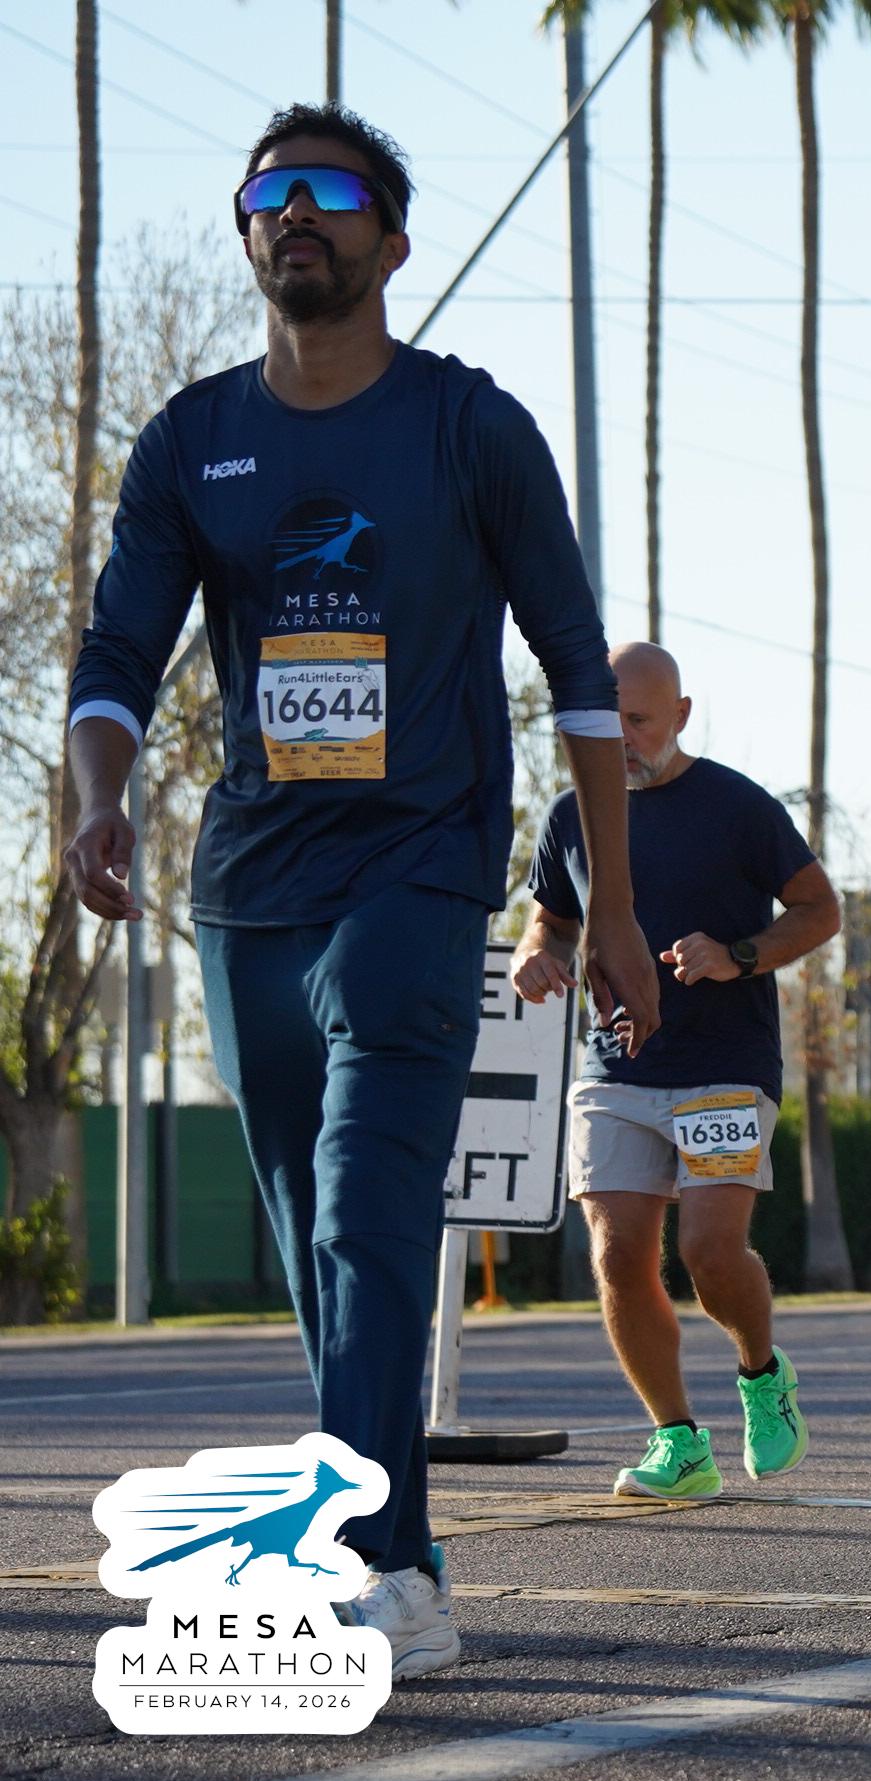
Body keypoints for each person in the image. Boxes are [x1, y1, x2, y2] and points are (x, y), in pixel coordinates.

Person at [62, 106, 657, 1679]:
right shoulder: (194, 441)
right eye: (268, 194)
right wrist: (101, 798)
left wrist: (609, 905)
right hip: (249, 894)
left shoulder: (470, 427)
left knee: (365, 1204)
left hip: (417, 868)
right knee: (316, 1248)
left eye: (330, 192)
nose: (294, 213)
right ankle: (406, 1548)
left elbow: (577, 671)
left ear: (393, 242)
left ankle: (376, 1561)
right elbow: (120, 652)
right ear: (247, 233)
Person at [510, 643, 839, 1499]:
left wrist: (738, 954)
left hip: (724, 1066)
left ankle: (762, 1373)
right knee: (619, 1255)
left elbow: (819, 910)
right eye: (605, 722)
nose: (621, 738)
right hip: (615, 1068)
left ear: (681, 716)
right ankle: (678, 1442)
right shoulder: (569, 816)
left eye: (639, 721)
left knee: (709, 1251)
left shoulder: (737, 806)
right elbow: (551, 922)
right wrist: (535, 956)